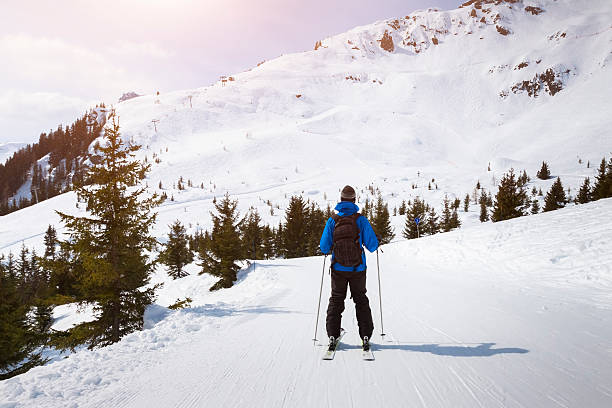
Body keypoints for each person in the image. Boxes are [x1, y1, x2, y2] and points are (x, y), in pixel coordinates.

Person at [319, 185, 379, 351]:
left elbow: (324, 247)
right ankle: (365, 335)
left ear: (341, 200)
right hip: (358, 269)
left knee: (336, 300)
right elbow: (372, 246)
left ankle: (332, 335)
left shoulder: (333, 220)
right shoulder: (360, 220)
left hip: (338, 269)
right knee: (360, 300)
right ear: (354, 200)